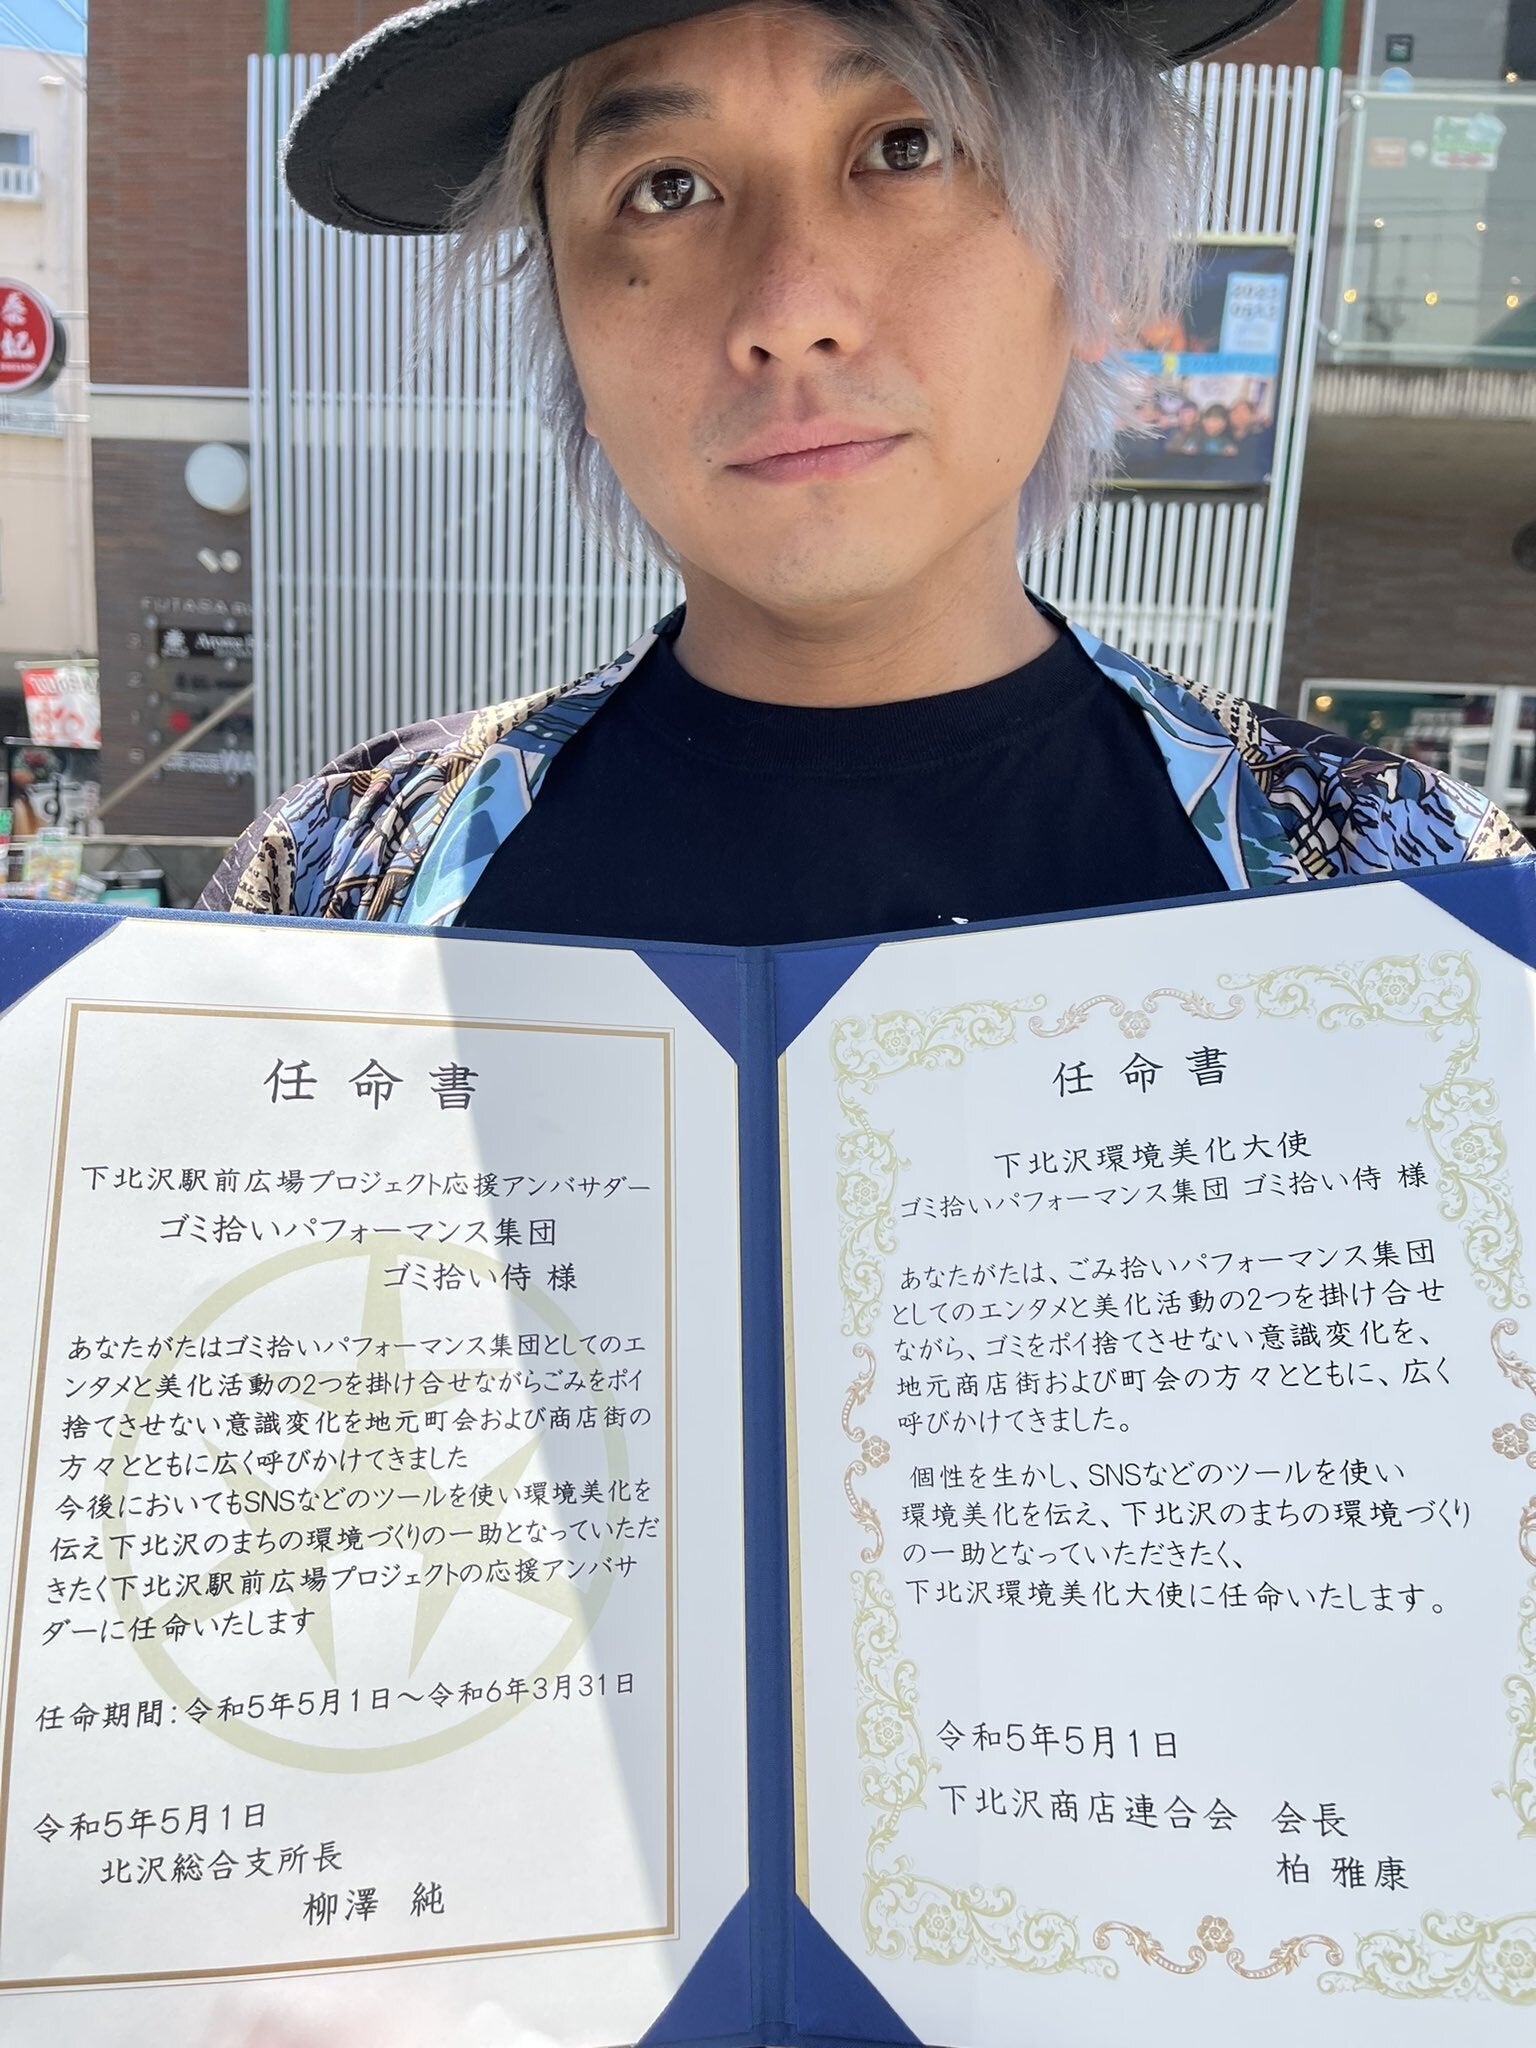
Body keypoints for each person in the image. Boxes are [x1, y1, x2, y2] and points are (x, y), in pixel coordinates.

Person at [202, 0, 1529, 938]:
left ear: (1093, 267)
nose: (790, 309)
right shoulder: (344, 882)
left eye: (907, 146)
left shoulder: (1404, 889)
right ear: (576, 340)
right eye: (666, 187)